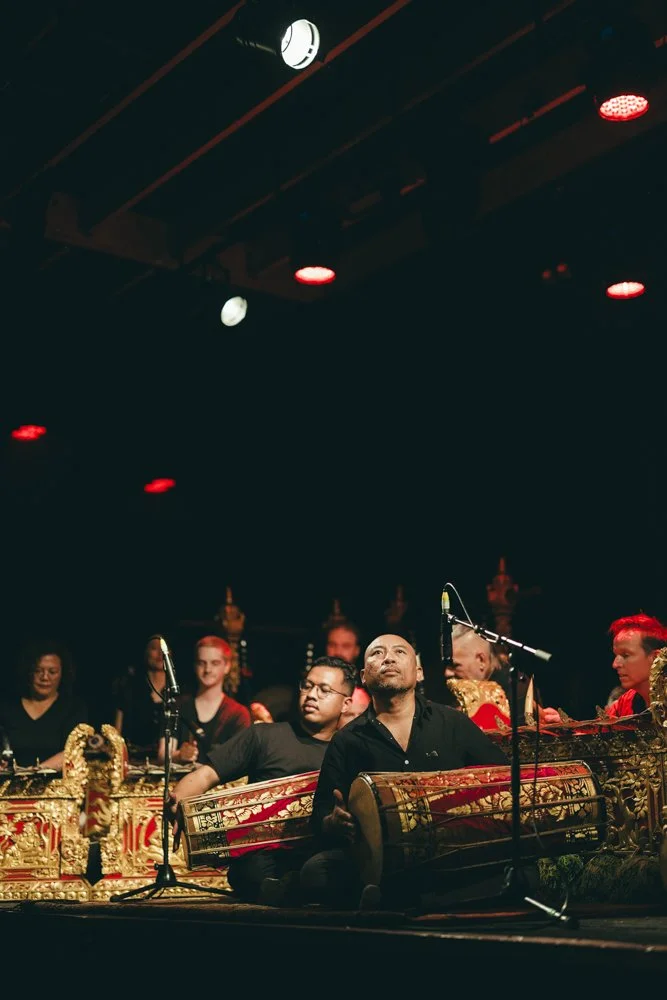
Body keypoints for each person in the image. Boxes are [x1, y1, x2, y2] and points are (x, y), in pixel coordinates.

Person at [300, 634, 508, 907]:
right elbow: (322, 814)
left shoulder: (452, 723)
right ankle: (423, 898)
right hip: (380, 856)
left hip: (448, 850)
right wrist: (335, 822)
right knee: (316, 872)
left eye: (400, 652)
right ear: (363, 676)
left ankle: (395, 899)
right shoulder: (348, 739)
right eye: (377, 653)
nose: (388, 658)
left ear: (419, 672)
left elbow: (501, 775)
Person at [167, 656, 356, 903]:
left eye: (324, 690)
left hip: (318, 852)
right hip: (263, 857)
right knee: (250, 872)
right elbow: (205, 775)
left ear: (346, 703)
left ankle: (293, 889)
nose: (311, 695)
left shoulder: (350, 751)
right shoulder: (264, 736)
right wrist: (178, 799)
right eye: (307, 686)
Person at [158, 636, 251, 765]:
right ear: (195, 666)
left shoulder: (238, 714)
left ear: (227, 666)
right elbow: (163, 755)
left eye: (215, 663)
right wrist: (179, 755)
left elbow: (241, 761)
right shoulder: (177, 707)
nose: (207, 670)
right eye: (202, 663)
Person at [447, 624, 561, 725]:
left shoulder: (516, 689)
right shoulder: (458, 689)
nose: (447, 673)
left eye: (454, 665)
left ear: (481, 660)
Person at [0, 641, 88, 770]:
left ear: (62, 674)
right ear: (28, 672)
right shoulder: (6, 707)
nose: (45, 677)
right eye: (38, 671)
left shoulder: (74, 707)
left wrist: (36, 771)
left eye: (52, 672)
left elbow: (74, 751)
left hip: (57, 786)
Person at [112, 635, 168, 759]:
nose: (160, 653)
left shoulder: (179, 691)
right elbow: (117, 731)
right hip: (134, 760)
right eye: (154, 648)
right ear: (145, 652)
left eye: (163, 648)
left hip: (169, 762)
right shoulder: (130, 689)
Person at [605, 614, 667, 719]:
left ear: (656, 657)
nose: (615, 664)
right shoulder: (624, 703)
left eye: (626, 655)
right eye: (616, 655)